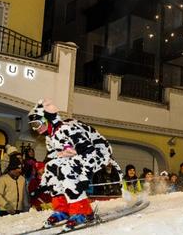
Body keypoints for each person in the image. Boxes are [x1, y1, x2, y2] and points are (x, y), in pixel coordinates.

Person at [27, 98, 121, 230]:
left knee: (65, 169)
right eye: (32, 125)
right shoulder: (50, 137)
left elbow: (89, 151)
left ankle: (82, 211)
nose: (35, 128)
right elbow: (52, 161)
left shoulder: (67, 128)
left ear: (47, 119)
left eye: (37, 123)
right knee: (52, 166)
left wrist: (85, 176)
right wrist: (43, 185)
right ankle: (62, 209)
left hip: (98, 153)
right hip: (78, 156)